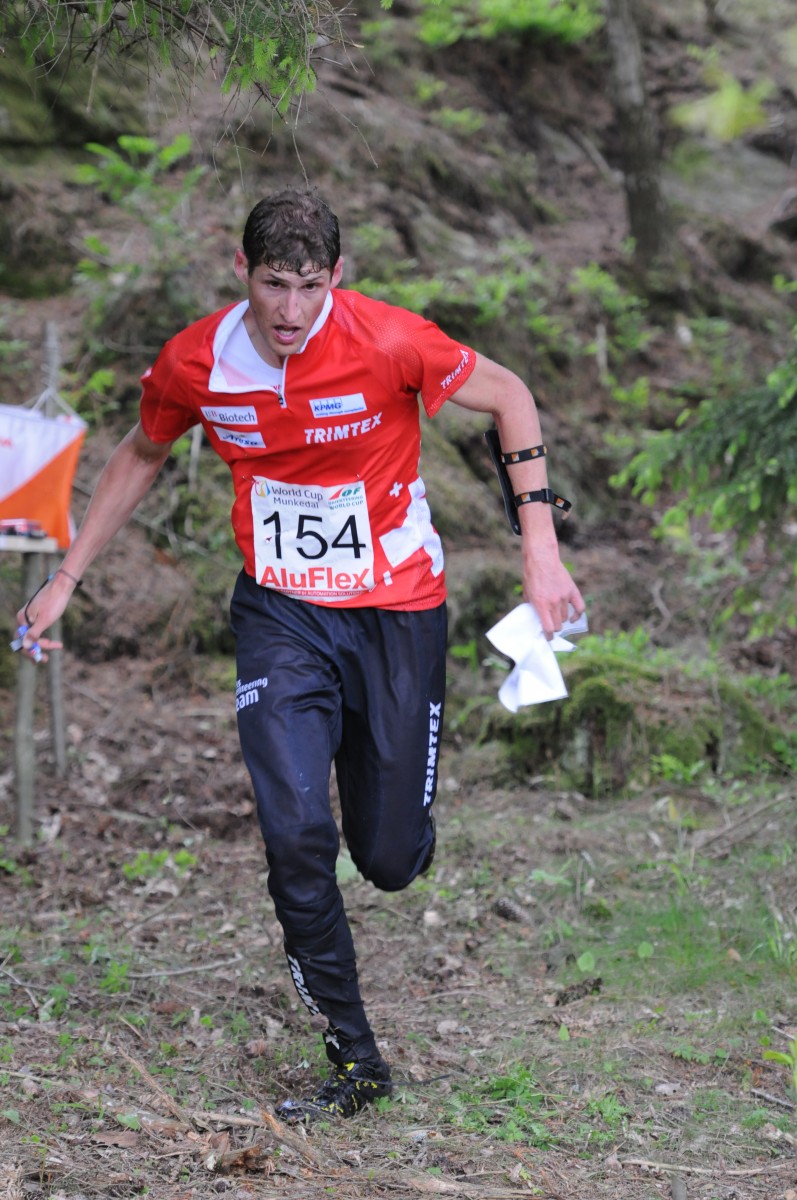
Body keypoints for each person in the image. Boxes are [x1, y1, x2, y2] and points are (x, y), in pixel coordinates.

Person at [13, 187, 584, 1122]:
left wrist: (540, 551)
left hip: (396, 610)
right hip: (280, 614)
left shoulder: (388, 339)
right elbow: (141, 453)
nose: (290, 310)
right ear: (240, 270)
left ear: (336, 277)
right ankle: (354, 1056)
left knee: (388, 858)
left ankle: (384, 785)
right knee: (294, 834)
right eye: (273, 284)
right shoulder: (197, 360)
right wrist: (68, 577)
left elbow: (509, 396)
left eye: (309, 286)